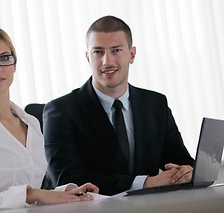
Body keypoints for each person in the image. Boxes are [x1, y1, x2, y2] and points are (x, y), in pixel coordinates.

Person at [0, 25, 99, 212]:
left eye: (4, 58)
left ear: (14, 65)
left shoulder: (31, 122)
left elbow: (31, 193)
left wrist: (66, 193)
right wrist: (33, 194)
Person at [43, 15, 195, 196]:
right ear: (87, 57)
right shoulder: (60, 111)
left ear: (132, 54)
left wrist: (188, 172)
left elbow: (180, 161)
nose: (107, 61)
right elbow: (66, 179)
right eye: (98, 52)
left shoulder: (156, 104)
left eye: (116, 50)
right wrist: (145, 183)